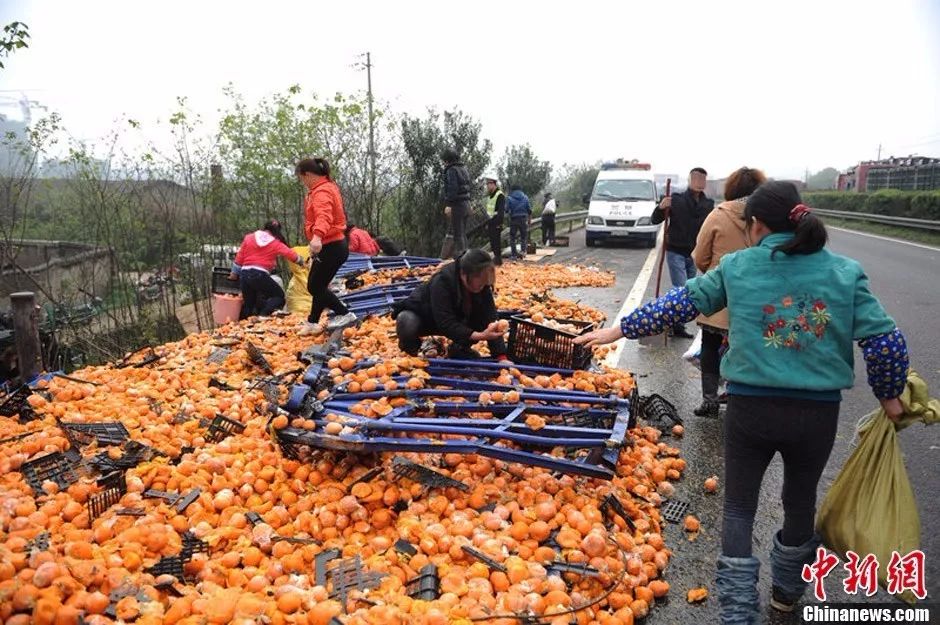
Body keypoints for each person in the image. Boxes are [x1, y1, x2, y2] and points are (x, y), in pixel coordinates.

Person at [574, 181, 910, 624]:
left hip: (752, 410)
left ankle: (737, 610)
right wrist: (890, 396)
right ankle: (787, 594)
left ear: (756, 226)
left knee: (738, 507)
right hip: (816, 414)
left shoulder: (739, 267)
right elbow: (885, 341)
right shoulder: (845, 272)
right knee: (799, 500)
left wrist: (619, 330)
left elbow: (679, 303)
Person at [690, 167, 767, 417]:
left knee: (710, 347)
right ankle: (739, 399)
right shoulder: (768, 218)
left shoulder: (718, 215)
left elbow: (700, 256)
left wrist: (714, 275)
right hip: (755, 299)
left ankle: (710, 399)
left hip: (718, 300)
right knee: (747, 350)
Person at [392, 249, 509, 361]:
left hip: (457, 319)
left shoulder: (482, 285)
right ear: (463, 274)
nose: (482, 288)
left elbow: (490, 318)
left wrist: (501, 356)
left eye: (484, 285)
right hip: (428, 318)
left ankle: (459, 348)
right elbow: (445, 322)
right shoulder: (443, 281)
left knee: (481, 317)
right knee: (406, 320)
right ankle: (413, 351)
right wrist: (480, 335)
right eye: (479, 283)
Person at [295, 157, 357, 336]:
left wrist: (317, 236)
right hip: (332, 244)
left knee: (314, 286)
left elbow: (324, 216)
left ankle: (345, 314)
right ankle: (313, 322)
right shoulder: (326, 187)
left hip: (331, 245)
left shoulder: (321, 192)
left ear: (307, 175)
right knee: (318, 284)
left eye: (302, 178)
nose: (303, 182)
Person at [652, 166, 714, 338]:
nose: (699, 182)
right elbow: (655, 219)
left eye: (702, 179)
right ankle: (673, 324)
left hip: (694, 254)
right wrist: (661, 207)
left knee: (690, 292)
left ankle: (675, 324)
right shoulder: (675, 200)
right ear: (689, 180)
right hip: (675, 251)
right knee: (681, 288)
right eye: (696, 178)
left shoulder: (708, 205)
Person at [229, 220, 303, 319]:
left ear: (265, 227)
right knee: (279, 296)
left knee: (249, 304)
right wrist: (301, 261)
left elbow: (239, 256)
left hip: (244, 273)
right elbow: (289, 254)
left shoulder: (249, 237)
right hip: (259, 275)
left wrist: (234, 273)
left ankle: (246, 327)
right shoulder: (275, 242)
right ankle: (263, 315)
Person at [442, 148, 472, 259]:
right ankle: (466, 256)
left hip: (457, 205)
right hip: (466, 203)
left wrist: (449, 204)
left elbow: (452, 188)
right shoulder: (463, 168)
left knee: (457, 234)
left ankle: (462, 258)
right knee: (463, 232)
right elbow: (468, 187)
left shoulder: (451, 170)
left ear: (447, 159)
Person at [483, 174, 506, 265]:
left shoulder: (500, 195)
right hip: (490, 222)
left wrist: (498, 222)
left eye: (488, 183)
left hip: (496, 222)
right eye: (487, 184)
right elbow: (489, 211)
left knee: (496, 242)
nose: (487, 186)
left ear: (494, 184)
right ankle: (496, 259)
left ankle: (498, 259)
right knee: (493, 242)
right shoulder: (490, 196)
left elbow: (500, 212)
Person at [506, 185, 532, 260]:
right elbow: (529, 210)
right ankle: (523, 252)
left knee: (512, 237)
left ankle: (514, 255)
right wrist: (529, 220)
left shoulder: (509, 198)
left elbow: (507, 210)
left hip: (514, 219)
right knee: (523, 236)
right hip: (523, 219)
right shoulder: (525, 197)